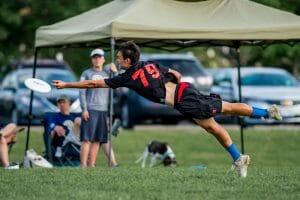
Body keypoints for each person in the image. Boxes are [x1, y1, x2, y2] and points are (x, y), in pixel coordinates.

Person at [53, 41, 282, 177]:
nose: (118, 60)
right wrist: (169, 84)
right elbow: (176, 74)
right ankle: (240, 154)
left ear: (128, 61)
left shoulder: (129, 77)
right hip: (184, 94)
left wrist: (67, 84)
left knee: (223, 114)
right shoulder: (148, 64)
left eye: (120, 58)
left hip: (185, 100)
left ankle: (266, 115)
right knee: (212, 125)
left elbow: (95, 82)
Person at [79, 48, 118, 168]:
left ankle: (91, 165)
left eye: (99, 57)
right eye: (94, 57)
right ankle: (83, 166)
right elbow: (81, 91)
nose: (97, 60)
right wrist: (84, 109)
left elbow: (118, 84)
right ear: (92, 59)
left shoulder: (108, 74)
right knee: (87, 139)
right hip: (90, 109)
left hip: (103, 110)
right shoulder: (86, 73)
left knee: (97, 140)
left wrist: (115, 72)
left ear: (103, 59)